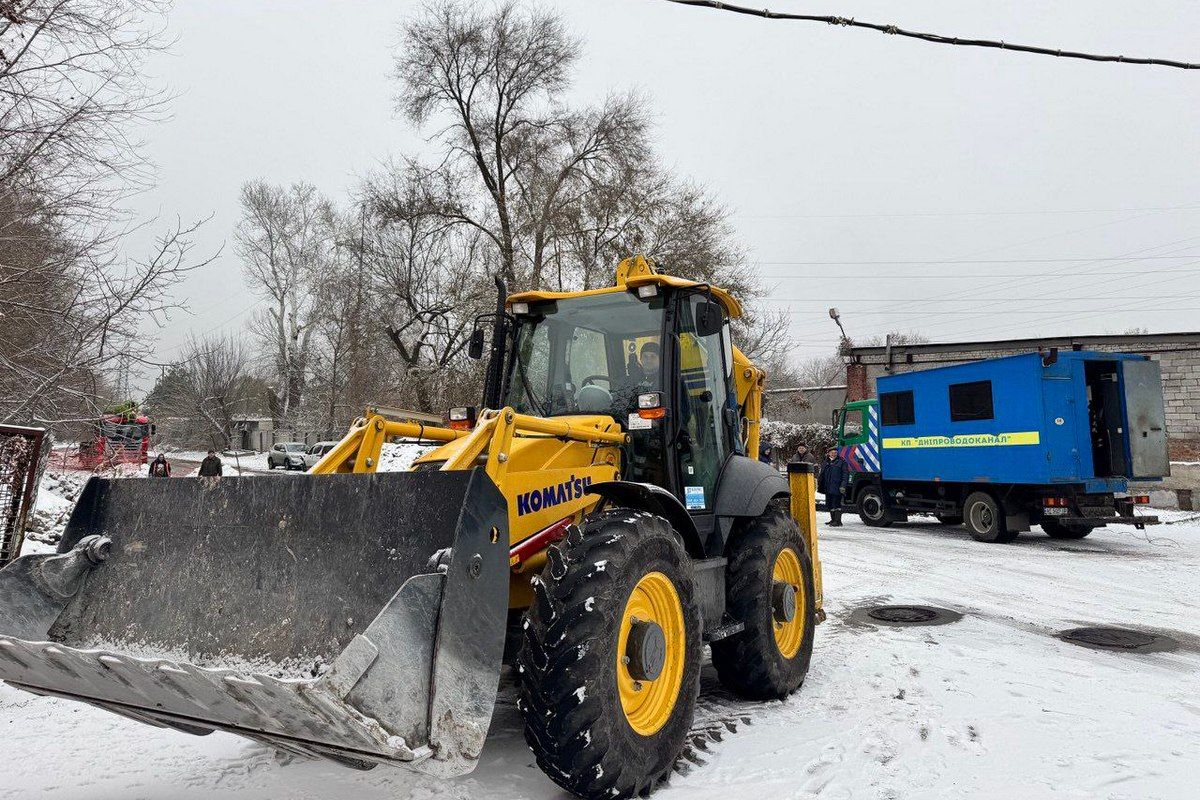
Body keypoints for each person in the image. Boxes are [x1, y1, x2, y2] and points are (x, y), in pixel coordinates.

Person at [818, 446, 849, 526]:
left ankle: (838, 521)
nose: (834, 454)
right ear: (828, 454)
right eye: (832, 452)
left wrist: (843, 486)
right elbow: (822, 474)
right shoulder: (825, 462)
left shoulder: (842, 462)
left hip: (837, 487)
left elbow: (845, 475)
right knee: (830, 504)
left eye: (835, 452)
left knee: (837, 504)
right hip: (828, 487)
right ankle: (833, 520)